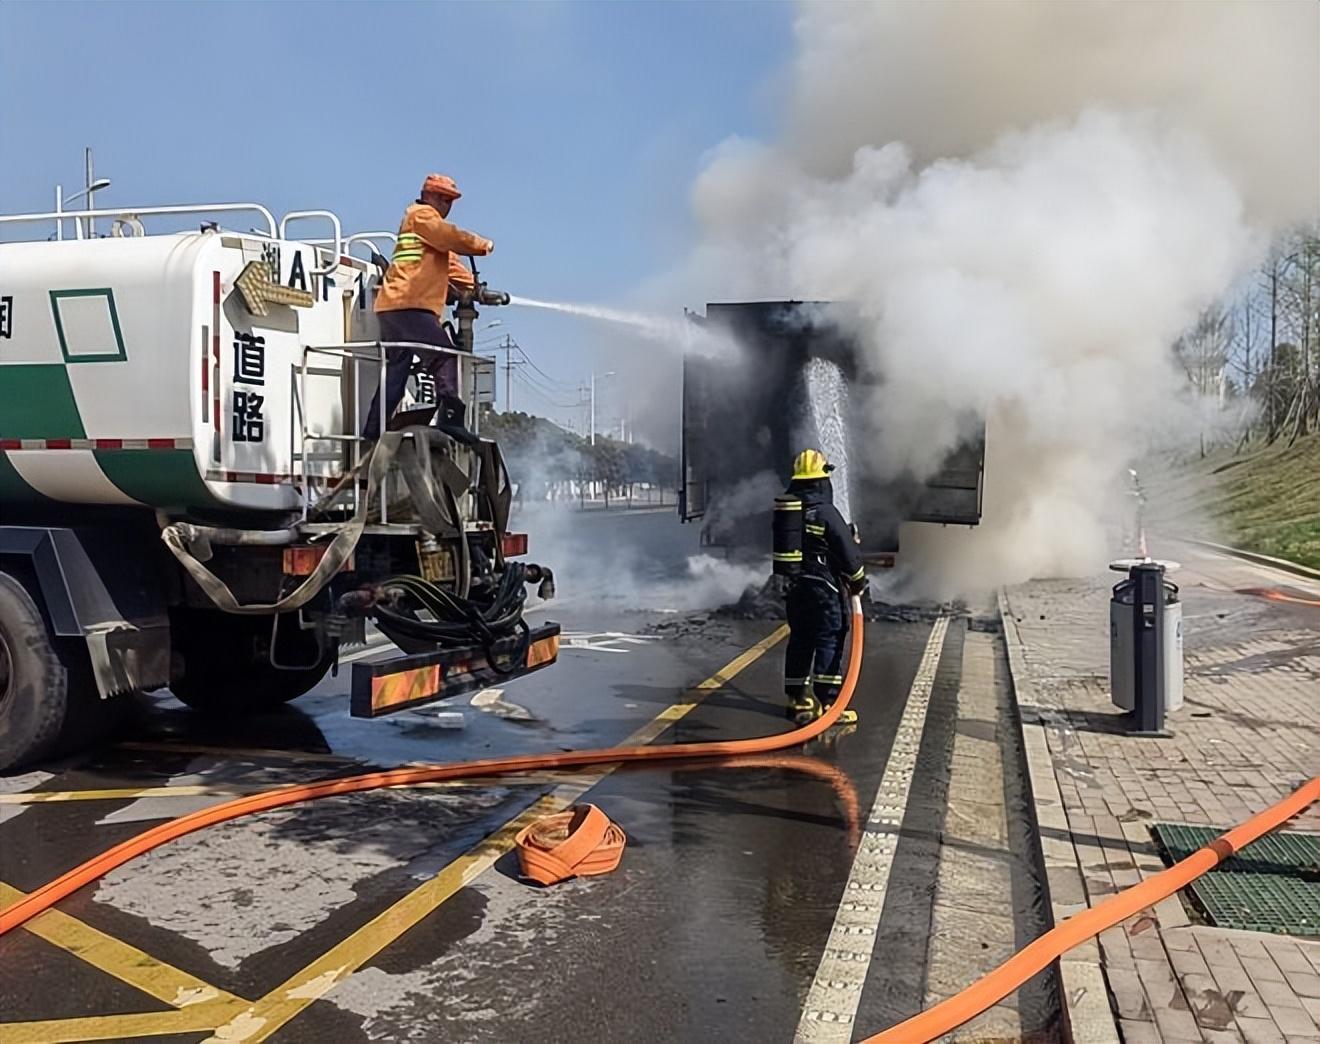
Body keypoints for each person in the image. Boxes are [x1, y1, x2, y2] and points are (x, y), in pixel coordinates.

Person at [364, 173, 494, 440]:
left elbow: (452, 266)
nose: (448, 205)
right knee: (444, 355)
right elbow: (448, 235)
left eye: (451, 201)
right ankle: (450, 416)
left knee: (396, 373)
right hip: (408, 305)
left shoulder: (429, 233)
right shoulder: (421, 216)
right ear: (429, 196)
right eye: (444, 198)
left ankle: (372, 432)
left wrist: (477, 289)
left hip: (395, 307)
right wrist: (482, 246)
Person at [781, 448, 867, 726]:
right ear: (822, 480)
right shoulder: (826, 513)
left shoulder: (788, 510)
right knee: (829, 637)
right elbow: (846, 551)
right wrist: (858, 581)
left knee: (800, 638)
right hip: (823, 588)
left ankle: (798, 699)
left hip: (794, 587)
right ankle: (830, 703)